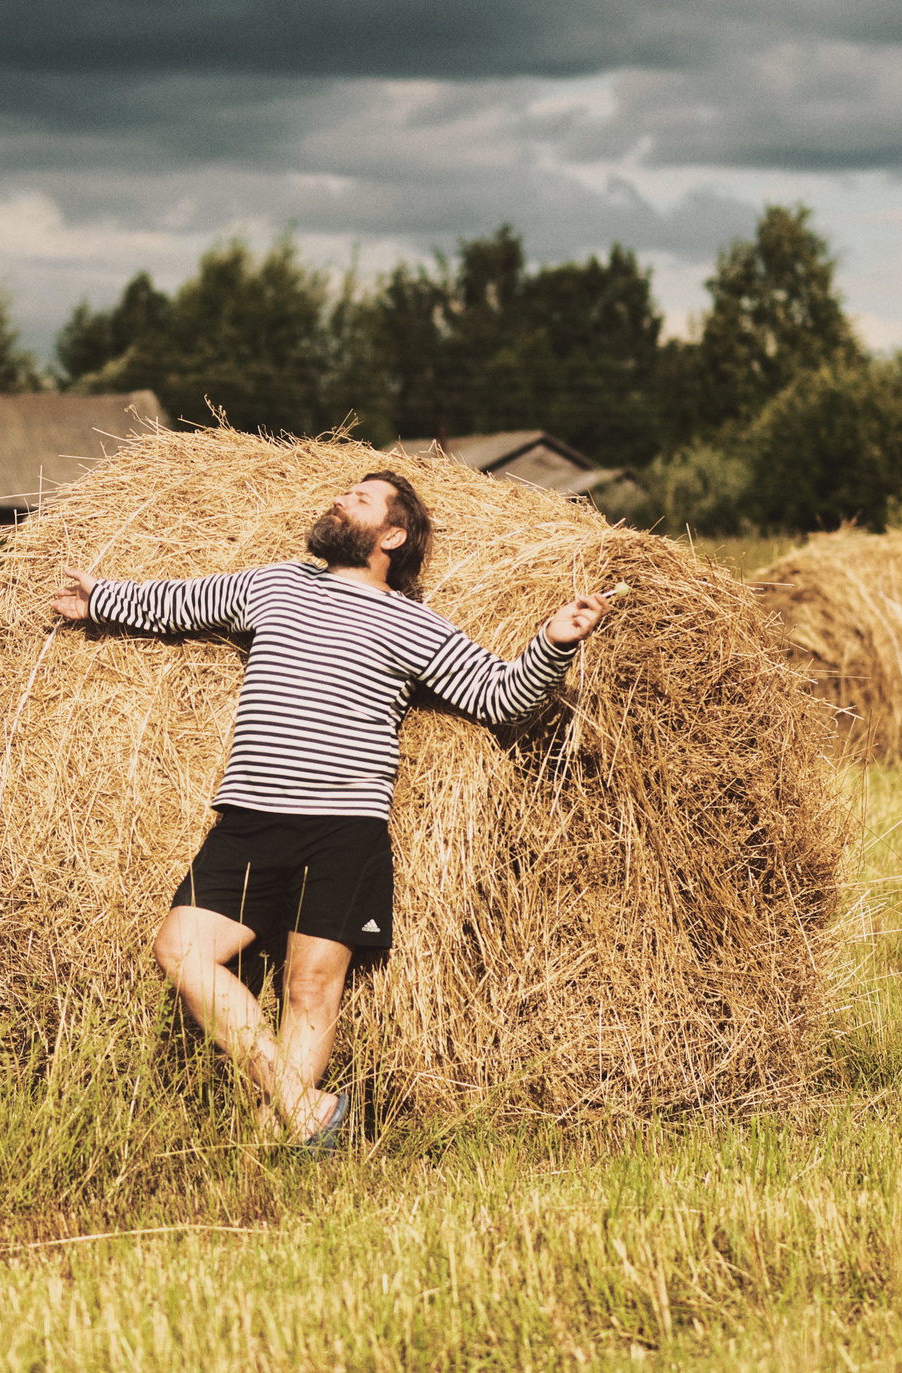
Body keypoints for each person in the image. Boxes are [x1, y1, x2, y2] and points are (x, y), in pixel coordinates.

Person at [49, 468, 612, 1150]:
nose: (342, 498)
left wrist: (555, 640)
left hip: (344, 829)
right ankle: (303, 1105)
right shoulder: (274, 584)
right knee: (180, 949)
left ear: (393, 534)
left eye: (362, 498)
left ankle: (271, 1151)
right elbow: (180, 602)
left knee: (309, 989)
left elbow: (499, 698)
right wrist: (101, 598)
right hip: (251, 817)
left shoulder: (413, 625)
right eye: (346, 492)